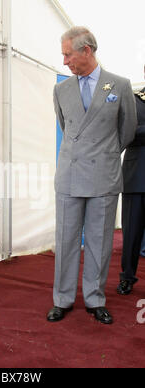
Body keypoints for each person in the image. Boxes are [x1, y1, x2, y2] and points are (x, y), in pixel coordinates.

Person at [47, 26, 137, 324]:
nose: (64, 61)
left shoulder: (120, 85)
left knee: (99, 240)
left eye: (68, 54)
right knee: (66, 239)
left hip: (104, 175)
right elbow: (67, 127)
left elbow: (125, 132)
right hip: (70, 176)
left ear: (87, 50)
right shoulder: (61, 89)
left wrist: (104, 155)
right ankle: (62, 298)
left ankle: (95, 298)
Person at [117, 87, 145, 295]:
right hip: (136, 176)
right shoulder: (133, 99)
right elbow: (126, 133)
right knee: (132, 232)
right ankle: (127, 277)